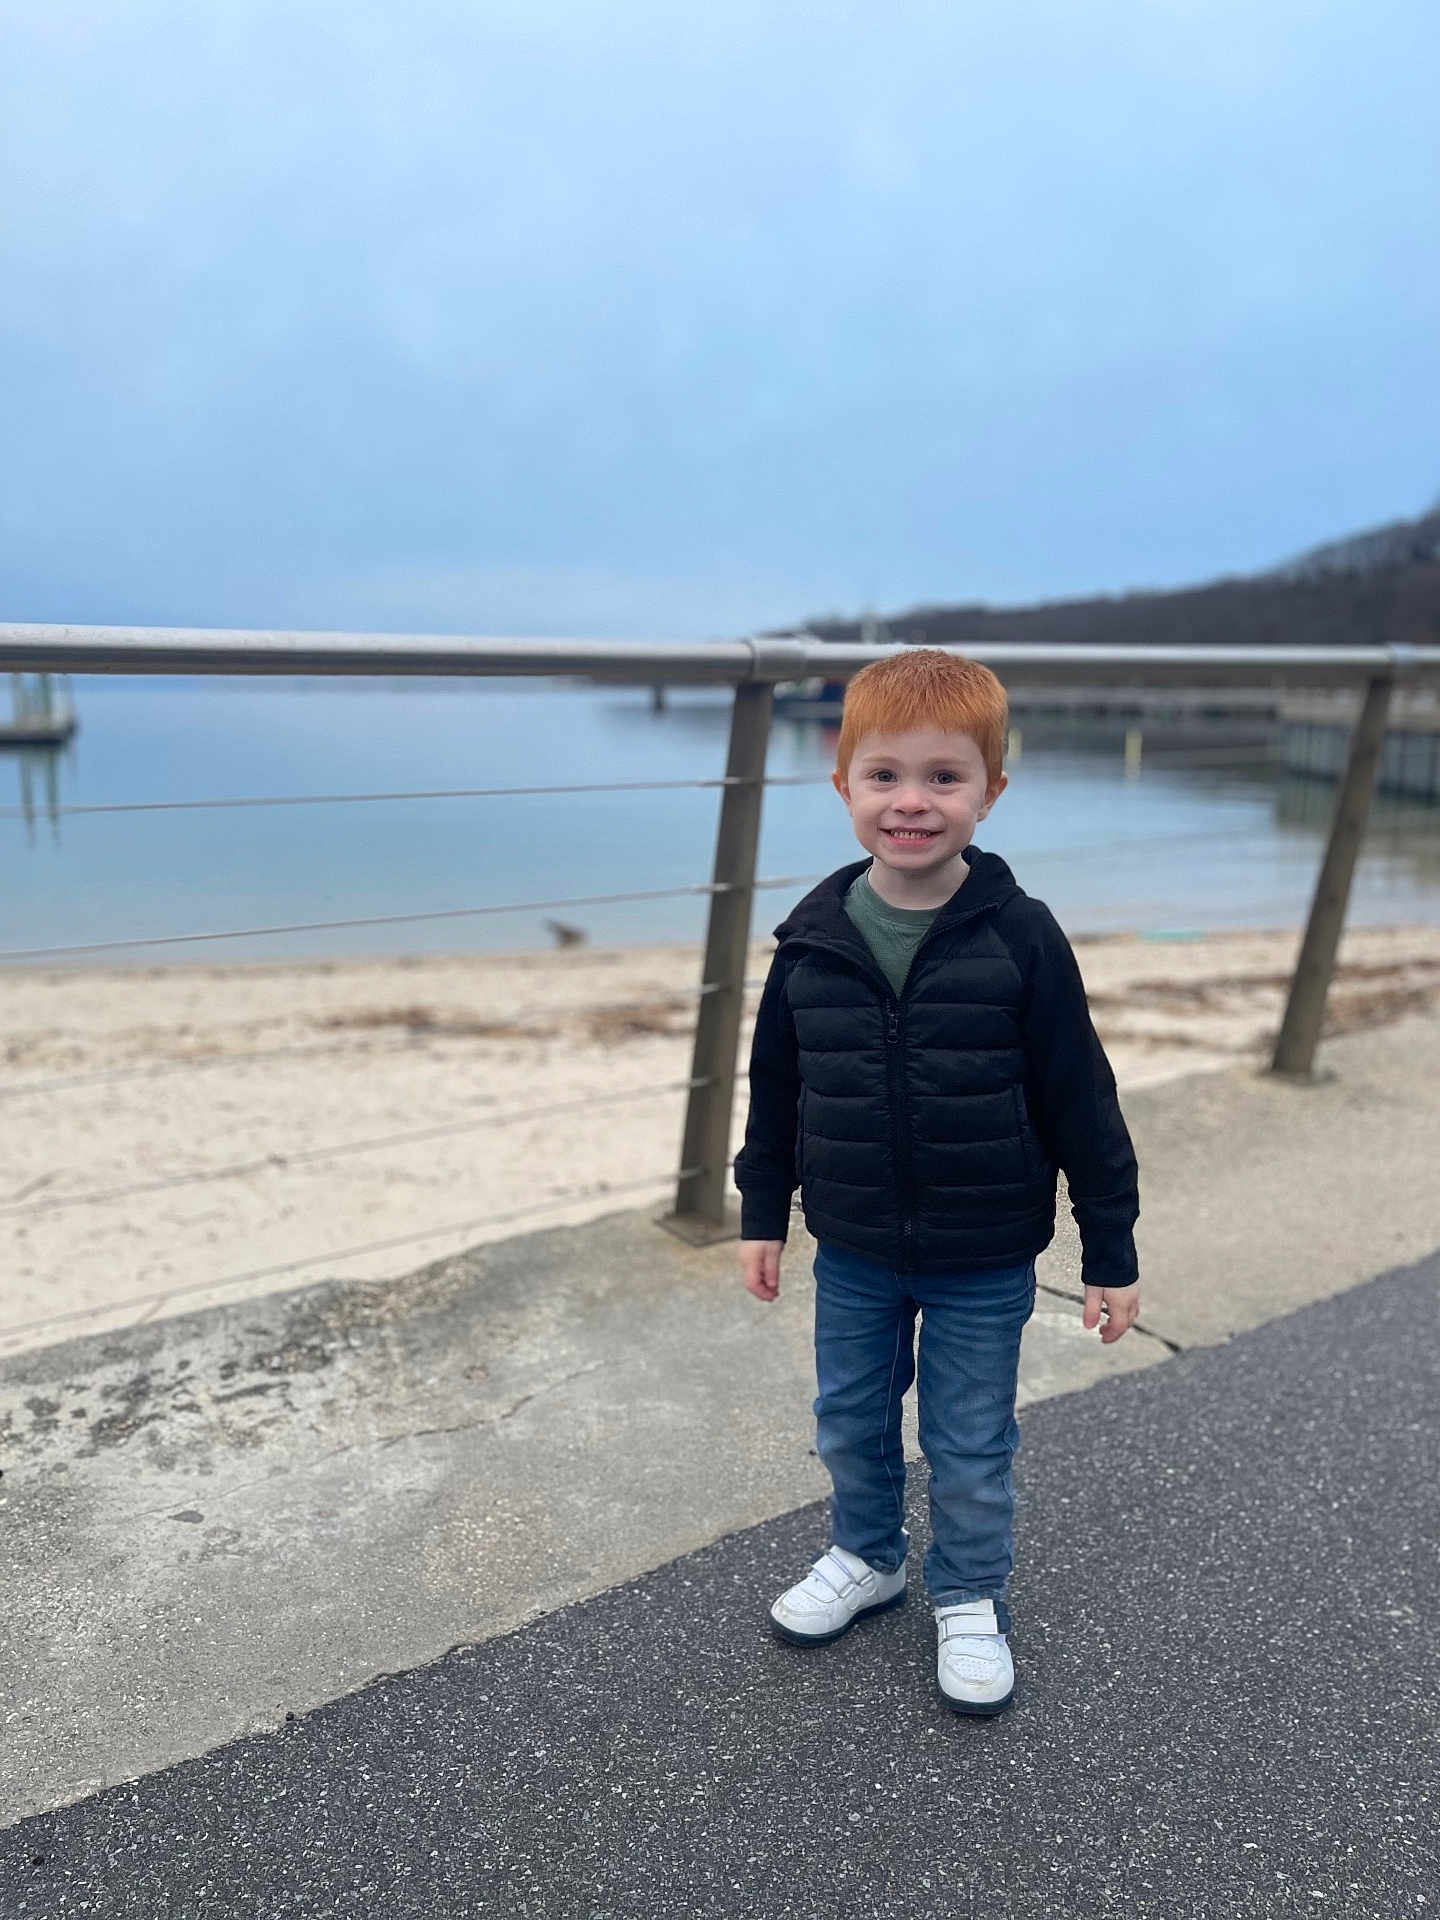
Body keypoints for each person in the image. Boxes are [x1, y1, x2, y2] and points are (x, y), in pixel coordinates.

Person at [733, 647, 1140, 1715]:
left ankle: (969, 1594)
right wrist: (762, 1211)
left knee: (966, 1439)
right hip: (856, 1241)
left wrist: (1111, 1251)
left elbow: (1082, 1101)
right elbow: (776, 1089)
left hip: (985, 1249)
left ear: (992, 791)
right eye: (886, 777)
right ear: (843, 784)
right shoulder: (810, 942)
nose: (913, 803)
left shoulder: (1022, 937)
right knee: (850, 1418)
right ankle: (870, 1556)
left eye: (945, 779)